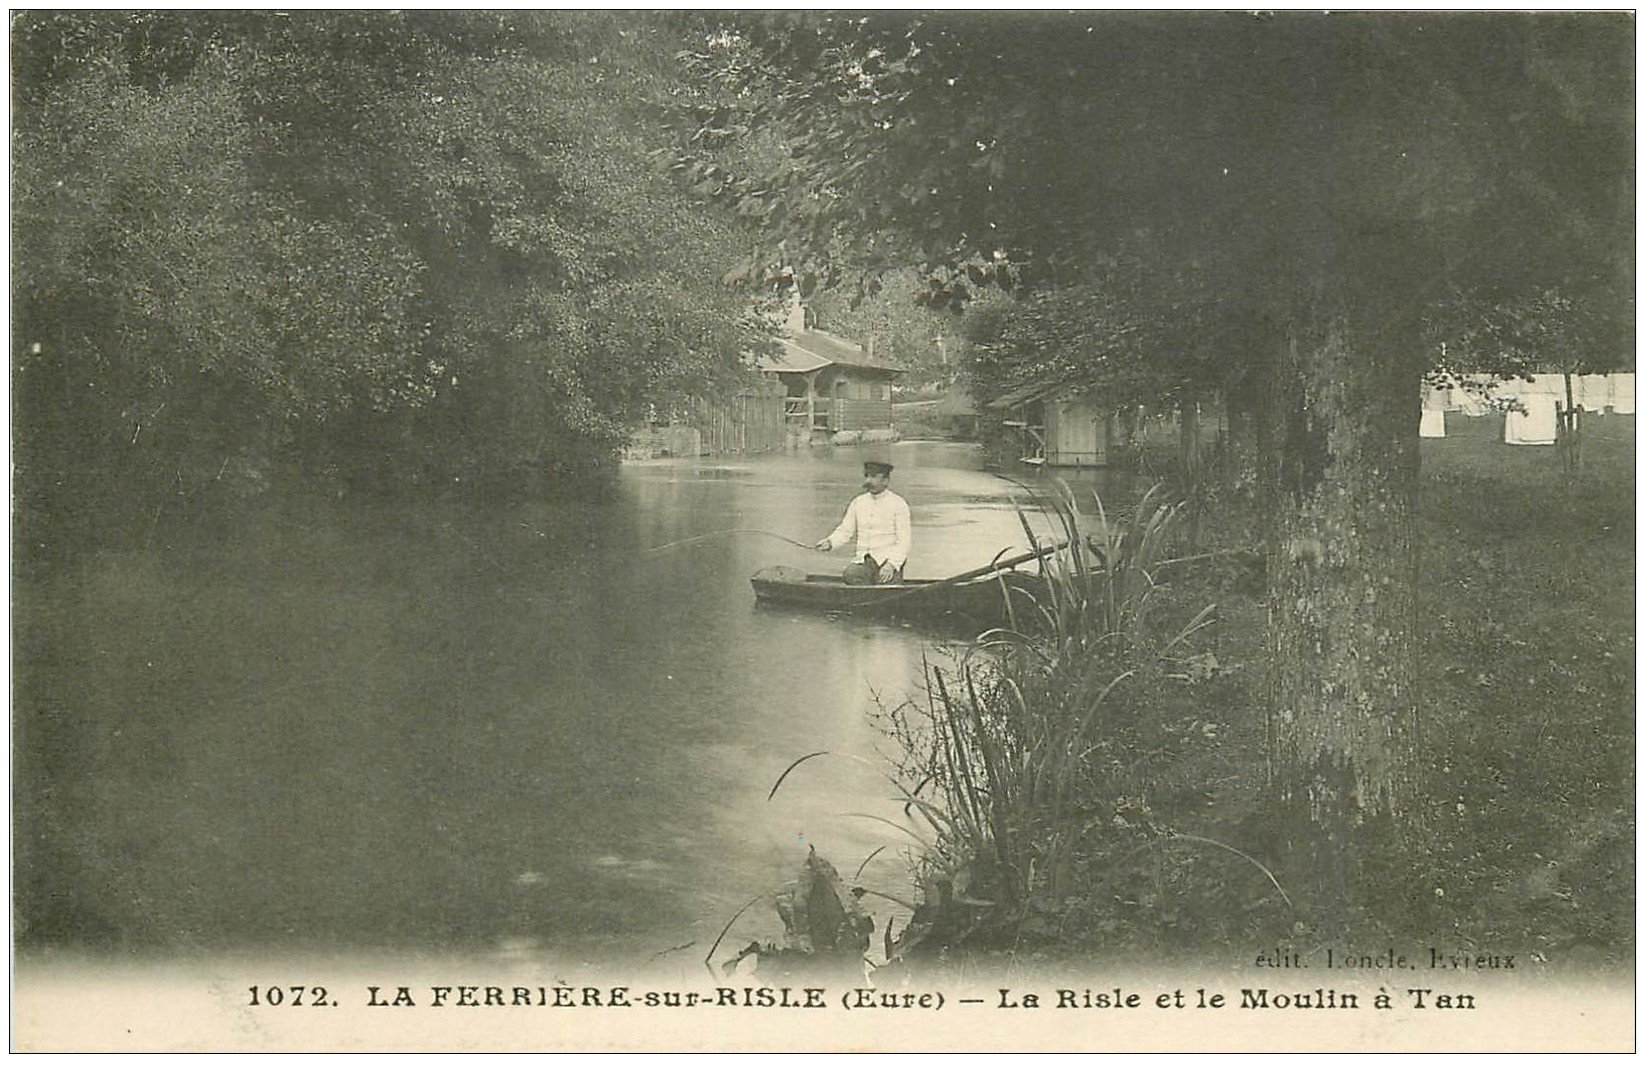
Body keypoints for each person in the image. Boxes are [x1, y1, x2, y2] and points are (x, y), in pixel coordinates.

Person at [814, 460, 911, 584]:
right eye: (867, 476)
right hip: (863, 561)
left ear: (886, 481)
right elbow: (845, 530)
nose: (868, 481)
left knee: (886, 586)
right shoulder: (858, 502)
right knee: (851, 574)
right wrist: (830, 542)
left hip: (888, 561)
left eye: (874, 477)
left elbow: (904, 542)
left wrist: (892, 565)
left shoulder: (898, 504)